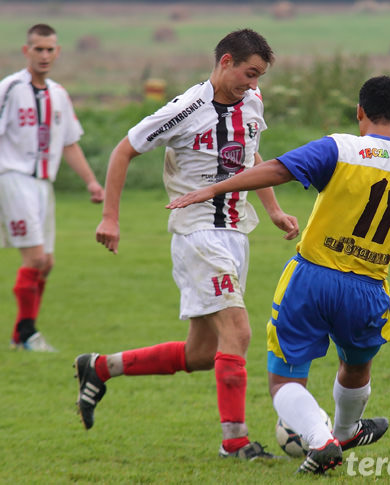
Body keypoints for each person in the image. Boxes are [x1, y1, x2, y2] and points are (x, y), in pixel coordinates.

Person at [166, 75, 390, 474]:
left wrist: (213, 189)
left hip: (311, 279)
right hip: (369, 290)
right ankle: (343, 431)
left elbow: (275, 170)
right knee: (356, 367)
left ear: (360, 112)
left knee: (285, 380)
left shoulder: (341, 148)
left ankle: (321, 439)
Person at [75, 28, 299, 460]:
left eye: (259, 78)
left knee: (202, 353)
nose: (253, 85)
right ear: (226, 61)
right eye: (249, 74)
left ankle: (101, 367)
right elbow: (124, 150)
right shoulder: (187, 108)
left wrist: (272, 209)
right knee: (238, 331)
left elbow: (251, 155)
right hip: (197, 233)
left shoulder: (252, 102)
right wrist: (110, 217)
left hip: (235, 232)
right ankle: (234, 442)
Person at [0, 24, 104, 352]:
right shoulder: (11, 87)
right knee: (36, 258)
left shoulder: (58, 93)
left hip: (43, 184)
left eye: (49, 49)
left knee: (47, 262)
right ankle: (27, 334)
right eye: (38, 49)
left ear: (57, 52)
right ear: (26, 51)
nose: (44, 55)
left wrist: (91, 181)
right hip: (13, 178)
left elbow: (69, 143)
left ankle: (21, 335)